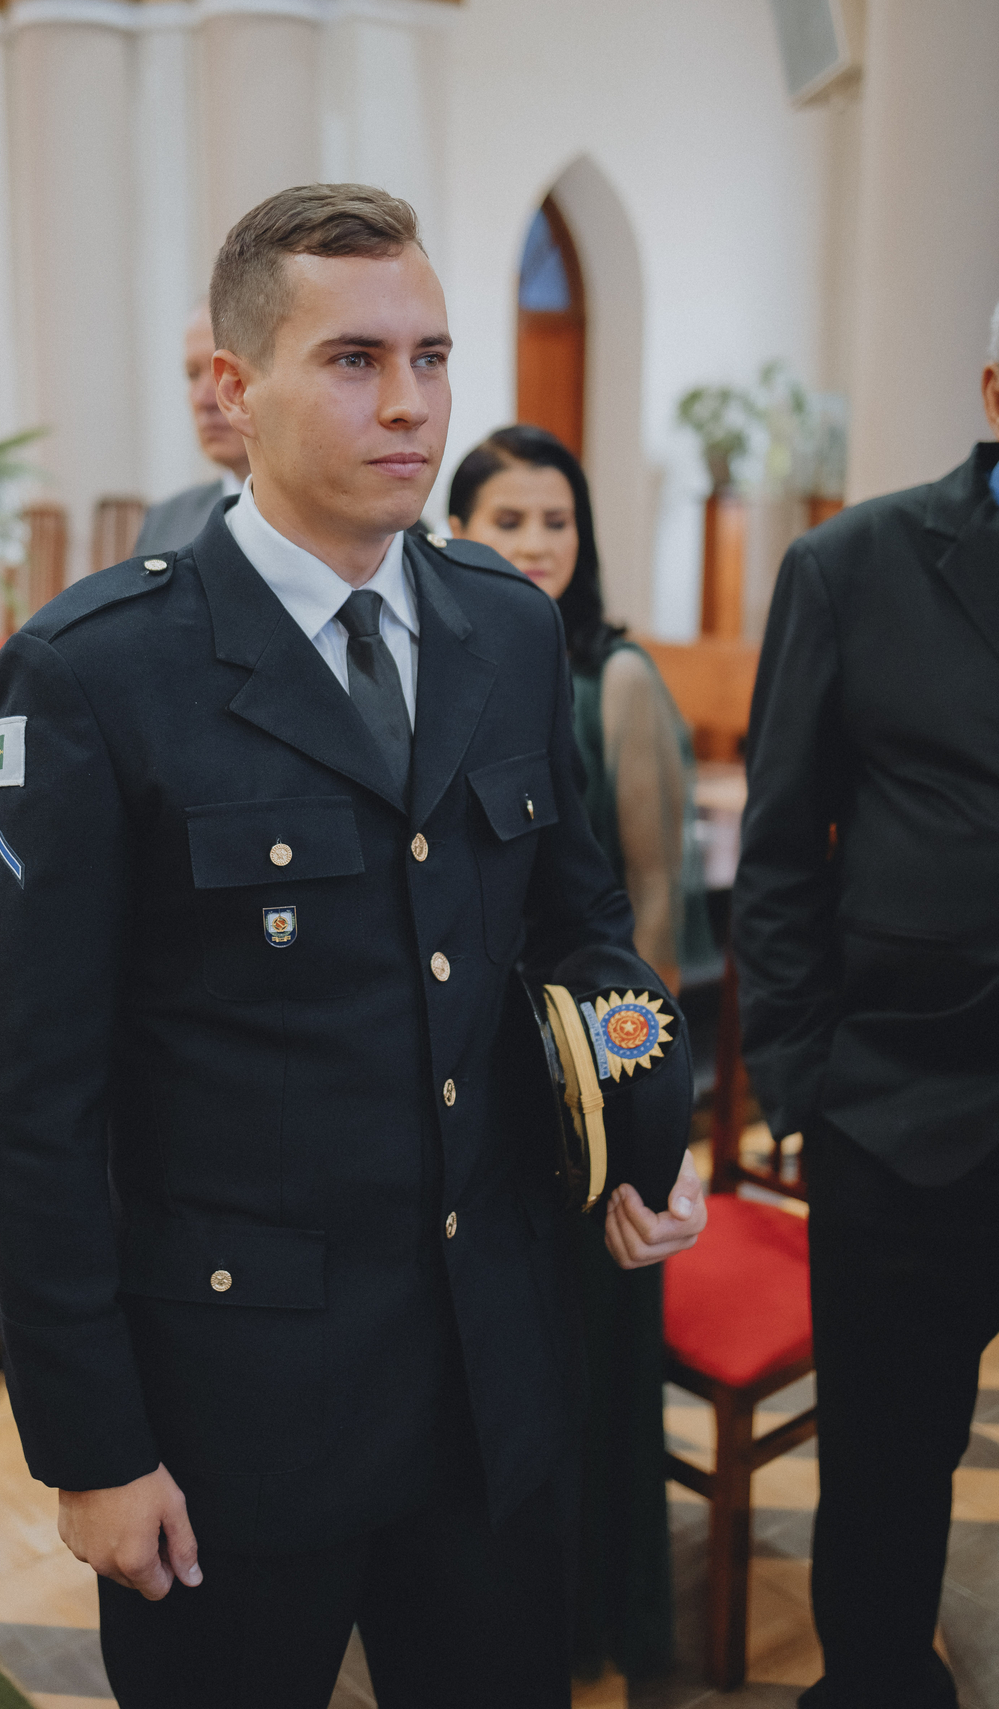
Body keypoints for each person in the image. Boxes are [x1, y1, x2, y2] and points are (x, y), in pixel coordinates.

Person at [0, 184, 706, 1709]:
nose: (411, 405)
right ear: (237, 392)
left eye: (432, 357)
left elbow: (578, 925)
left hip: (491, 1376)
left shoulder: (505, 626)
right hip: (239, 1409)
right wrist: (95, 1447)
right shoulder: (100, 673)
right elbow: (31, 1103)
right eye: (356, 361)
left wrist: (645, 1124)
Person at [732, 306, 999, 1709]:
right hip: (902, 1108)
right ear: (995, 388)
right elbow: (780, 847)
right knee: (891, 1468)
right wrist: (800, 1082)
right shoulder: (856, 566)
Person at [449, 424, 712, 1682]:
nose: (537, 544)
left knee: (593, 1367)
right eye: (509, 521)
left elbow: (647, 910)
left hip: (597, 1092)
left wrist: (624, 1111)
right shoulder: (448, 667)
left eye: (557, 521)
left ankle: (599, 1614)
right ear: (457, 532)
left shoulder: (611, 680)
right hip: (479, 1089)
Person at [133, 301, 249, 555]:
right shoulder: (165, 524)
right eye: (193, 374)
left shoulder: (331, 522)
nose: (203, 399)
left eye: (227, 372)